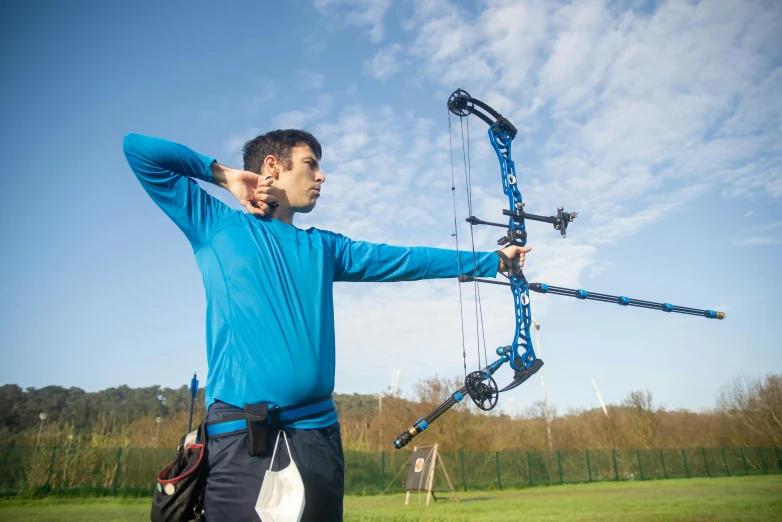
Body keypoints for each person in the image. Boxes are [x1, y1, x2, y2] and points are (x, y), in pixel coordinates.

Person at [123, 130, 530, 521]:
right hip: (239, 440)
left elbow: (408, 259)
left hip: (317, 439)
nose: (321, 176)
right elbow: (138, 150)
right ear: (272, 166)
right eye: (310, 164)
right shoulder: (216, 224)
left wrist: (492, 261)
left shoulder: (324, 247)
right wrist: (224, 175)